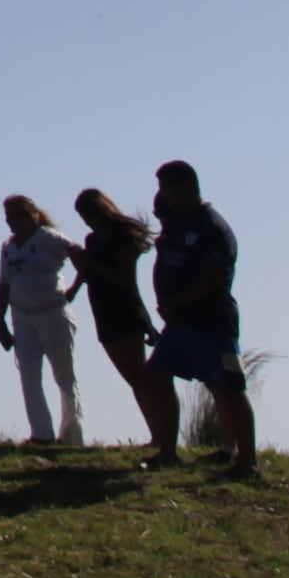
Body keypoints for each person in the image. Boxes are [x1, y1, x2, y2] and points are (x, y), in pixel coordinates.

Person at [150, 158, 256, 479]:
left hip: (215, 322)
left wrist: (177, 302)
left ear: (188, 186)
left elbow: (210, 276)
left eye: (167, 188)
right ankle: (167, 452)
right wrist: (163, 303)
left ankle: (246, 463)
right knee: (155, 375)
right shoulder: (176, 224)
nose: (163, 195)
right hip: (179, 323)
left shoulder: (212, 226)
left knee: (229, 387)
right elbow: (162, 262)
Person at [71, 185, 183, 462]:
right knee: (132, 378)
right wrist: (78, 275)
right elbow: (89, 272)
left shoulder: (122, 237)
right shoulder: (93, 240)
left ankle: (162, 436)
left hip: (124, 310)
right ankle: (156, 434)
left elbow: (124, 280)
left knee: (141, 375)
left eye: (88, 215)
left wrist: (92, 265)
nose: (86, 222)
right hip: (102, 310)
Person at [0, 194, 83, 446]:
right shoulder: (8, 247)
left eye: (14, 216)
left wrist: (73, 289)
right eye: (7, 217)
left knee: (63, 373)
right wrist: (0, 320)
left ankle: (71, 434)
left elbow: (80, 255)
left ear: (29, 215)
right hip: (23, 317)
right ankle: (41, 433)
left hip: (53, 313)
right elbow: (4, 283)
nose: (10, 222)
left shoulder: (49, 238)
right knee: (29, 373)